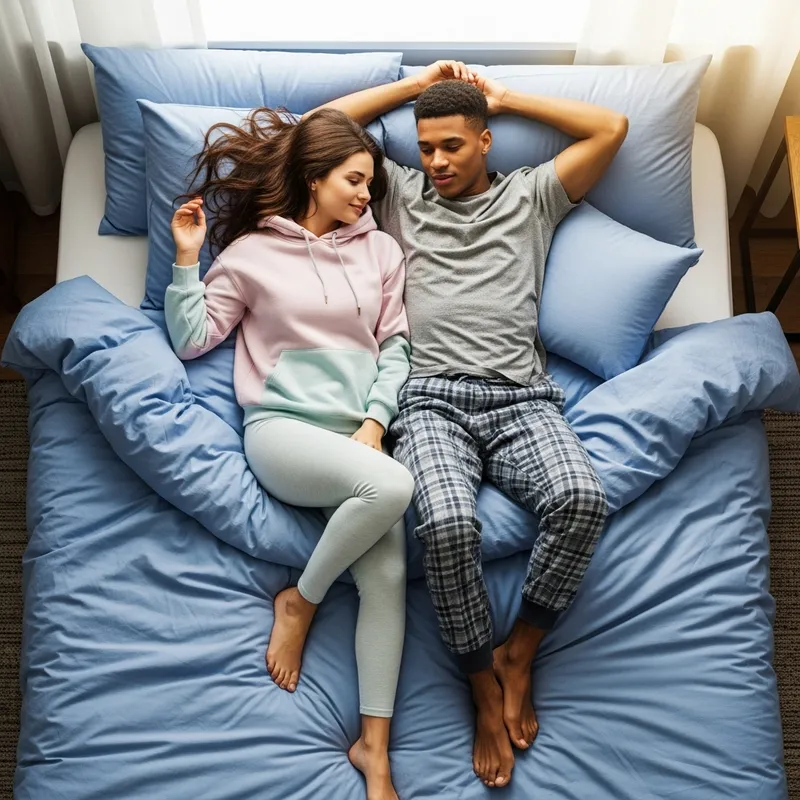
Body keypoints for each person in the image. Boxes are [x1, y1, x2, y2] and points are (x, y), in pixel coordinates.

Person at [308, 61, 627, 789]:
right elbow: (319, 131)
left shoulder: (533, 195)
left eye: (452, 146)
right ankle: (482, 681)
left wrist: (508, 98)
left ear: (486, 142)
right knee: (447, 527)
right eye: (425, 147)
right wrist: (412, 87)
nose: (437, 162)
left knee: (583, 499)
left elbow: (613, 128)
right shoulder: (400, 196)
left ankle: (523, 648)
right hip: (429, 401)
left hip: (522, 398)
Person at [164, 107, 414, 800]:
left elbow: (397, 348)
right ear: (315, 175)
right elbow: (193, 339)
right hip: (281, 432)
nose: (368, 196)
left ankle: (375, 751)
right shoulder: (249, 255)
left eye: (371, 184)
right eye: (355, 180)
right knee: (393, 490)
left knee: (388, 575)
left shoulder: (381, 252)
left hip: (357, 438)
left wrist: (376, 417)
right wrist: (189, 258)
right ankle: (299, 603)